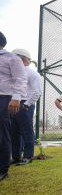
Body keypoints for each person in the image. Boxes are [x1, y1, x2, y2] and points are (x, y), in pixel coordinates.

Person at [0, 32, 27, 182]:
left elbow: (20, 78)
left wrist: (16, 98)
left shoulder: (11, 58)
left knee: (3, 134)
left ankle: (3, 168)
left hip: (4, 98)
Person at [11, 49, 42, 165]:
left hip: (25, 104)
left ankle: (28, 156)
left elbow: (37, 92)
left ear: (22, 59)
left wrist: (26, 104)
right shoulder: (13, 72)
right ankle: (16, 156)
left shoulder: (32, 73)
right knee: (14, 132)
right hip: (13, 103)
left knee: (26, 131)